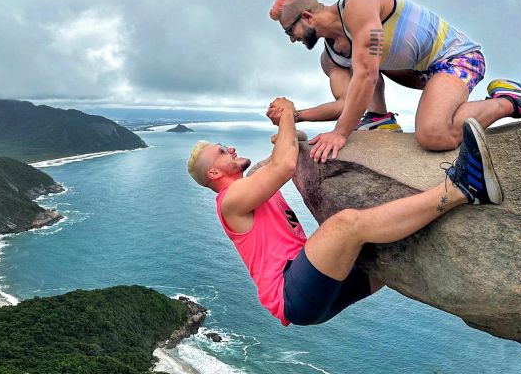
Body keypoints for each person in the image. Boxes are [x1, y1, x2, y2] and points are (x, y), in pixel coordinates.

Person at [187, 97, 503, 327]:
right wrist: (287, 112)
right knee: (345, 224)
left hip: (313, 289)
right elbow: (284, 164)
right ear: (214, 174)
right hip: (290, 292)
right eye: (221, 151)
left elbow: (280, 156)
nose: (230, 149)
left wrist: (291, 135)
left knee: (386, 260)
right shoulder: (230, 201)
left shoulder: (250, 186)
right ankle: (463, 188)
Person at [267, 0, 521, 160]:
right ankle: (380, 119)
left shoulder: (358, 6)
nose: (291, 38)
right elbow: (346, 102)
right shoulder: (330, 57)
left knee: (433, 134)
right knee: (359, 66)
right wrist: (295, 115)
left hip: (457, 58)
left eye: (289, 30)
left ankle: (512, 101)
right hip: (422, 73)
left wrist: (341, 133)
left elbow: (368, 75)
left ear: (307, 16)